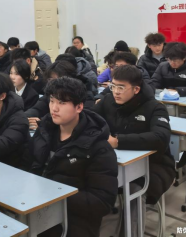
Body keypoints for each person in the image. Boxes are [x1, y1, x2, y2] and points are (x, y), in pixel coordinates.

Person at [22, 78, 118, 237]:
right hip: (36, 207)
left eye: (62, 103)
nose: (54, 108)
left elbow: (102, 202)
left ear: (79, 107)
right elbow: (26, 167)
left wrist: (54, 194)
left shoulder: (98, 147)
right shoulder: (44, 131)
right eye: (52, 101)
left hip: (75, 218)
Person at [93, 65, 176, 224]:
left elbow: (161, 138)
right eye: (113, 86)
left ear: (136, 89)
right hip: (114, 161)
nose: (116, 92)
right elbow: (88, 120)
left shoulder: (155, 108)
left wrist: (118, 141)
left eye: (121, 88)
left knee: (134, 188)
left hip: (154, 165)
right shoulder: (108, 101)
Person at [26, 61, 95, 130]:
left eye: (62, 102)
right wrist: (26, 117)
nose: (54, 83)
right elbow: (37, 109)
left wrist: (44, 123)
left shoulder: (85, 95)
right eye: (50, 80)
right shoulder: (52, 94)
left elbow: (81, 119)